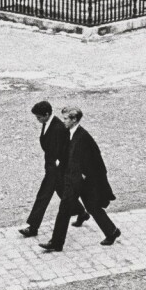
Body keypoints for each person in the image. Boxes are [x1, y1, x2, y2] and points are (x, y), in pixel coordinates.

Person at [40, 106, 121, 251]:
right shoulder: (70, 133)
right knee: (86, 207)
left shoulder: (83, 137)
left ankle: (57, 243)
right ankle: (112, 231)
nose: (63, 121)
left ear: (74, 120)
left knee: (83, 207)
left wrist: (84, 175)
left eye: (66, 119)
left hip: (80, 181)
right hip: (74, 178)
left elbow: (96, 161)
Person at [18, 101, 89, 237]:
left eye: (39, 117)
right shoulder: (48, 123)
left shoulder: (58, 127)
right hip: (52, 167)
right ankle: (82, 213)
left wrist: (57, 164)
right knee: (64, 194)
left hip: (56, 169)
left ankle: (33, 227)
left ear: (47, 114)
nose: (37, 119)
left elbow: (64, 149)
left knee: (43, 196)